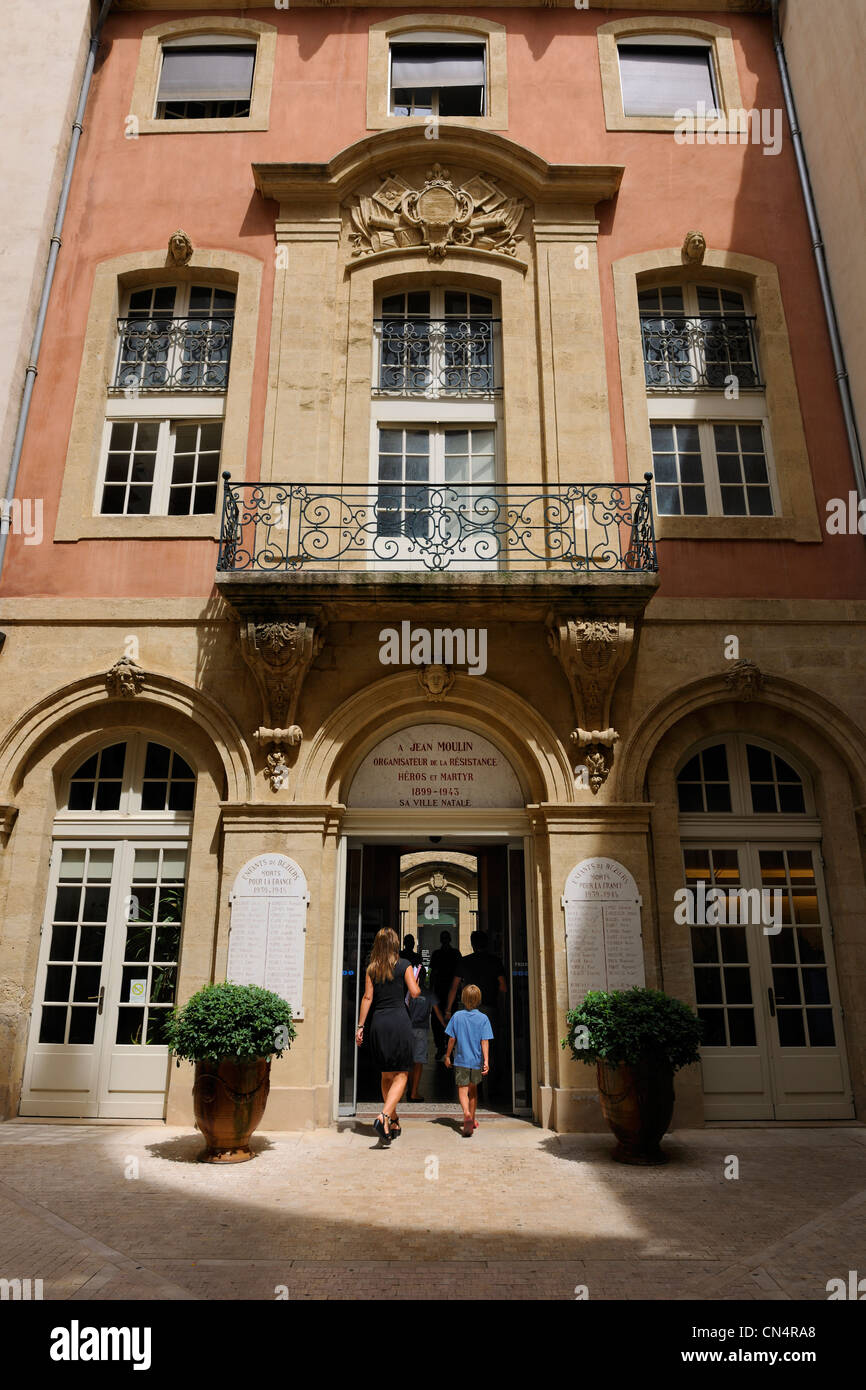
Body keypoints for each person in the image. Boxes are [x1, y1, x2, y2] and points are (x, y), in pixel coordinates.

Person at [356, 927, 420, 1144]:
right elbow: (414, 992)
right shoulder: (404, 965)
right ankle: (383, 1115)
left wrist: (360, 1026)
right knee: (402, 1074)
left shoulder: (372, 968)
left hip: (378, 1023)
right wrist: (417, 983)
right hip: (399, 1021)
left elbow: (367, 998)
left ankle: (393, 1120)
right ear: (395, 944)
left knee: (385, 1075)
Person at [443, 984, 493, 1137]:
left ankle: (466, 1113)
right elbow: (485, 1041)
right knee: (473, 1091)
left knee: (462, 1090)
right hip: (476, 1061)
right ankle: (473, 1118)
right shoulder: (483, 1018)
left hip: (461, 1060)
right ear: (479, 1000)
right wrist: (486, 1061)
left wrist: (447, 1055)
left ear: (463, 999)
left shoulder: (457, 1016)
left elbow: (452, 1038)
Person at [406, 967, 444, 1101]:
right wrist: (445, 1025)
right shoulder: (429, 994)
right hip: (421, 1030)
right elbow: (437, 1012)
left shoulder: (408, 992)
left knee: (409, 1061)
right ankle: (414, 1092)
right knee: (418, 1061)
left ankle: (410, 1088)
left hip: (407, 1028)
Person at [430, 930, 461, 1059]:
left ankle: (445, 1047)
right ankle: (444, 1047)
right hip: (443, 990)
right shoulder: (452, 954)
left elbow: (433, 973)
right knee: (442, 1020)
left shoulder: (441, 954)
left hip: (444, 990)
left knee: (441, 1020)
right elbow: (433, 973)